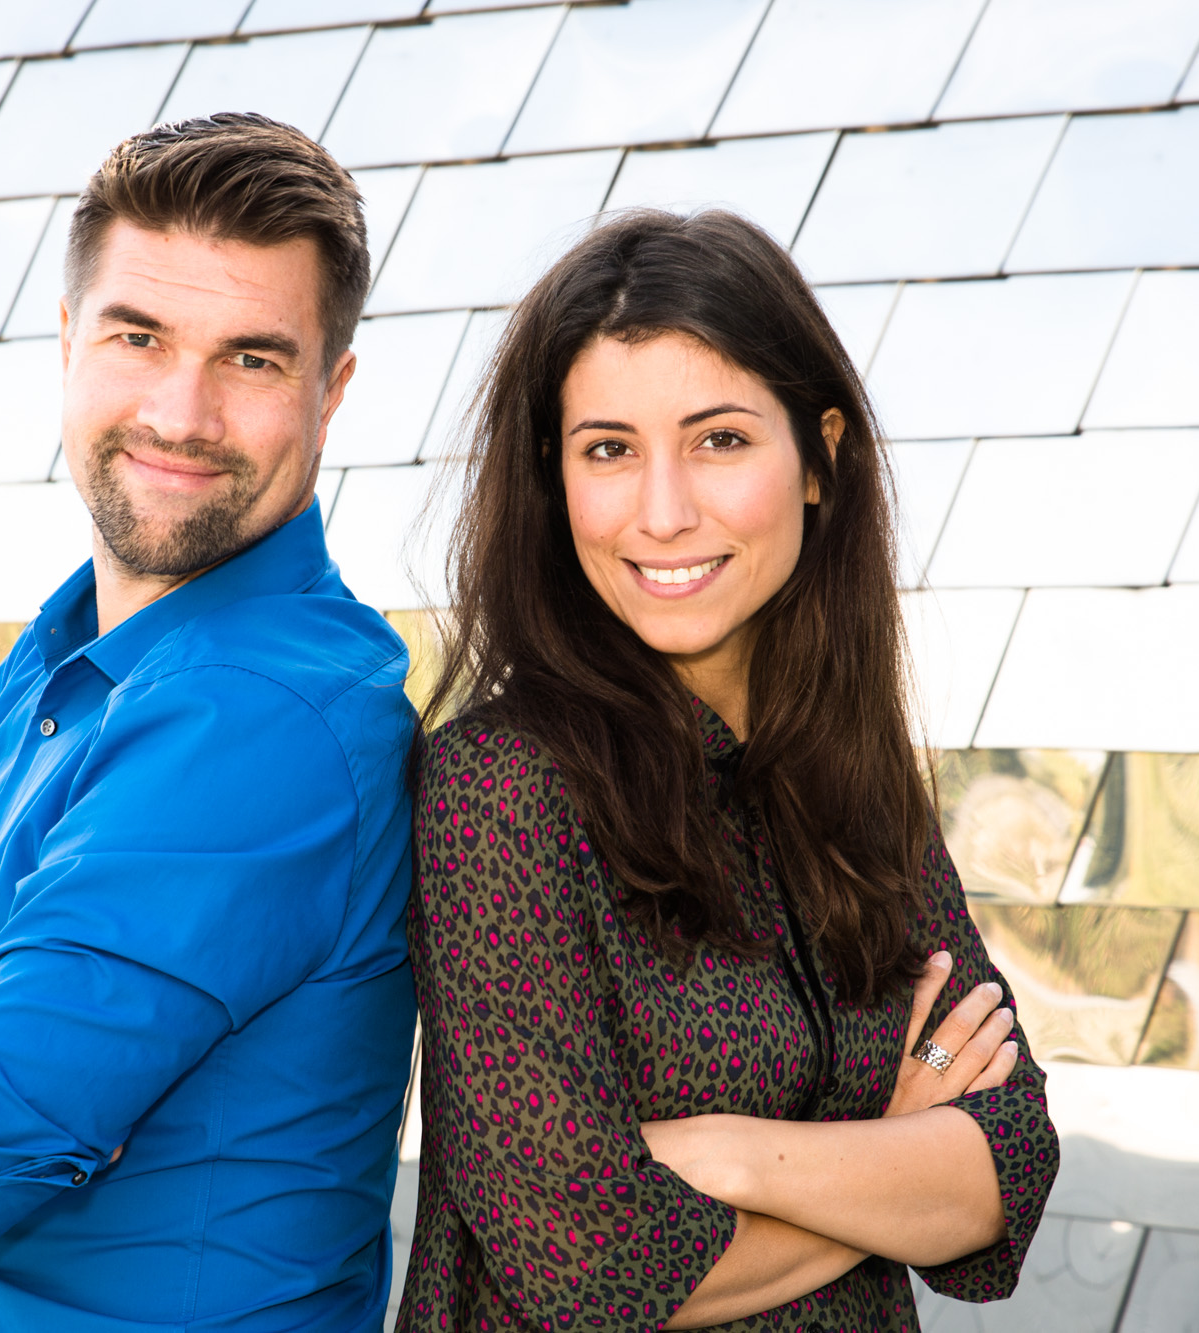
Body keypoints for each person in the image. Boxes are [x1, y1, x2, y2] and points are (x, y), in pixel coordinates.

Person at [0, 115, 418, 1331]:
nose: (182, 412)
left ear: (330, 395)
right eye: (139, 336)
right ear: (69, 343)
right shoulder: (67, 647)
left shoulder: (260, 723)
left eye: (253, 360)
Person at [397, 210, 1058, 1329]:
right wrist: (888, 1160)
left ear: (819, 459)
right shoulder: (500, 791)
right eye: (607, 449)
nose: (662, 512)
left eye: (718, 440)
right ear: (553, 484)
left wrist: (736, 1156)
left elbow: (1012, 1165)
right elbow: (589, 1262)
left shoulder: (856, 780)